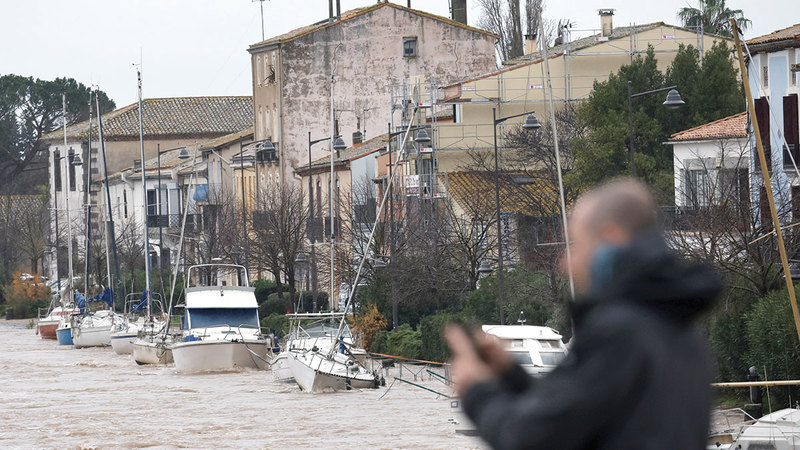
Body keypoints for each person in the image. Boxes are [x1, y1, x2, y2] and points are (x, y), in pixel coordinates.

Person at [446, 178, 722, 449]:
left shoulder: (620, 331)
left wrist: (475, 390)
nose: (565, 263)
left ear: (610, 237)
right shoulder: (678, 327)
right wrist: (510, 374)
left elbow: (527, 438)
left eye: (575, 244)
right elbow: (576, 416)